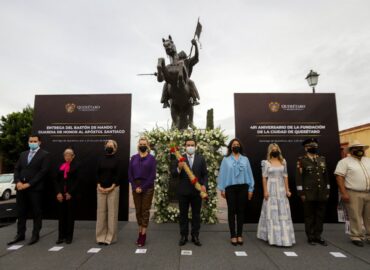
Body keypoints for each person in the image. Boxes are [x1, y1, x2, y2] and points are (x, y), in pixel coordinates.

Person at [7, 134, 50, 246]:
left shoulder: (45, 155)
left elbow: (43, 172)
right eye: (30, 141)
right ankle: (20, 234)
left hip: (35, 189)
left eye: (35, 141)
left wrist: (29, 184)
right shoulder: (23, 154)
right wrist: (18, 182)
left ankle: (35, 235)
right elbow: (17, 169)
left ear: (39, 142)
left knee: (36, 212)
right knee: (21, 212)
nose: (32, 143)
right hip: (21, 188)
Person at [171, 138, 208, 246]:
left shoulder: (201, 158)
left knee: (196, 215)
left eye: (192, 145)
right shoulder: (179, 158)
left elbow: (205, 174)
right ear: (185, 146)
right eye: (188, 145)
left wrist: (204, 185)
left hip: (197, 192)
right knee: (183, 215)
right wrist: (178, 168)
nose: (190, 147)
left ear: (195, 146)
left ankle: (195, 236)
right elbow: (173, 174)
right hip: (183, 192)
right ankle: (183, 236)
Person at [257, 143, 295, 247]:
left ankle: (284, 238)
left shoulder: (283, 161)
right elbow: (264, 177)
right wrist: (265, 191)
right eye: (273, 149)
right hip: (271, 189)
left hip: (281, 190)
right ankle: (272, 238)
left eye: (276, 149)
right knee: (271, 213)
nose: (275, 151)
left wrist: (287, 190)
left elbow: (285, 176)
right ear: (270, 151)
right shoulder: (266, 163)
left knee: (283, 213)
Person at [218, 138, 254, 246]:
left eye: (238, 144)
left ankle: (240, 235)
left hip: (243, 187)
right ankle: (233, 235)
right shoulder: (226, 160)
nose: (236, 145)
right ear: (230, 146)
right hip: (230, 188)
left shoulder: (245, 159)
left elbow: (249, 174)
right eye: (234, 144)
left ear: (240, 146)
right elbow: (222, 175)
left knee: (241, 211)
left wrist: (251, 189)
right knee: (231, 211)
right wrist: (222, 189)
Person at [334, 140, 370, 247]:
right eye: (357, 148)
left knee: (369, 216)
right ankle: (356, 236)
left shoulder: (368, 160)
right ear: (351, 150)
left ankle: (369, 235)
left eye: (361, 148)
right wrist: (344, 193)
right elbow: (339, 177)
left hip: (368, 192)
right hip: (353, 192)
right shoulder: (344, 162)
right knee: (355, 215)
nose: (359, 150)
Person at [295, 138, 330, 246]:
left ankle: (318, 236)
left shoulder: (322, 159)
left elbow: (326, 176)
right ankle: (310, 236)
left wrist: (327, 190)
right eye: (311, 145)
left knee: (320, 215)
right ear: (306, 148)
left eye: (315, 145)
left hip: (321, 192)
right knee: (309, 215)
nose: (314, 147)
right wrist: (301, 193)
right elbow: (298, 177)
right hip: (308, 193)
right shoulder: (301, 160)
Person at [128, 137, 156, 247]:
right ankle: (139, 232)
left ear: (148, 145)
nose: (142, 145)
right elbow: (130, 173)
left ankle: (143, 235)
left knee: (145, 211)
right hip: (136, 186)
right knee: (138, 211)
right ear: (138, 145)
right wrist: (135, 186)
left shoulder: (151, 158)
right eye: (141, 144)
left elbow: (152, 175)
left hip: (148, 187)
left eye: (144, 144)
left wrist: (142, 187)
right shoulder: (133, 158)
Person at [96, 140, 121, 245]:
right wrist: (98, 185)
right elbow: (97, 173)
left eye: (111, 145)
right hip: (101, 189)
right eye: (108, 145)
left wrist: (112, 186)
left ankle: (110, 238)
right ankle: (100, 237)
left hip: (113, 189)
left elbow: (119, 174)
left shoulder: (118, 160)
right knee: (101, 213)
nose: (109, 146)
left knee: (112, 214)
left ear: (115, 148)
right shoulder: (100, 159)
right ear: (105, 146)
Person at [53, 147, 80, 244]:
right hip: (61, 194)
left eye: (69, 155)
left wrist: (70, 193)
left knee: (70, 216)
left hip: (71, 195)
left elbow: (77, 181)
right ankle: (61, 236)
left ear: (73, 156)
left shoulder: (76, 166)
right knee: (61, 216)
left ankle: (69, 237)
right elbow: (56, 180)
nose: (67, 156)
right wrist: (58, 193)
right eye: (66, 155)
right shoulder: (60, 166)